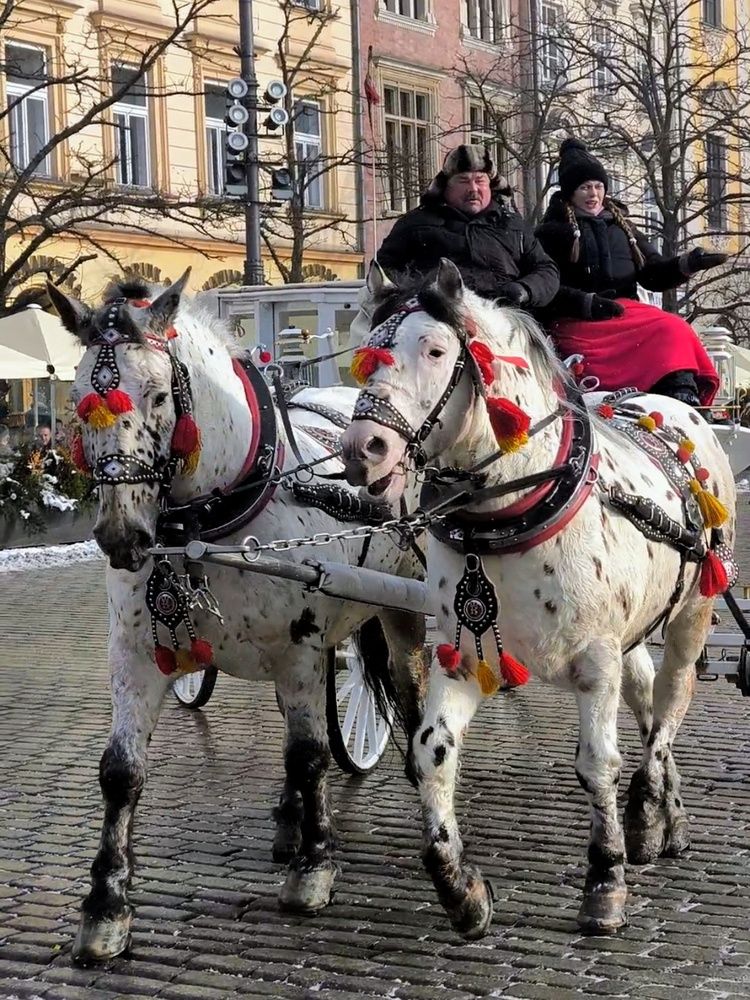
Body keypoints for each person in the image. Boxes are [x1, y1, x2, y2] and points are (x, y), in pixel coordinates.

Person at [535, 138, 726, 407]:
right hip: (577, 317)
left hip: (625, 312)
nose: (593, 194)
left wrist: (688, 264)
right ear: (570, 192)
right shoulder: (551, 232)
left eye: (598, 186)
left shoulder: (623, 227)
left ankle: (681, 393)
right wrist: (586, 303)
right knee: (662, 327)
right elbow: (545, 285)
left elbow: (653, 274)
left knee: (673, 326)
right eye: (585, 187)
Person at [377, 144, 560, 309]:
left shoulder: (512, 224)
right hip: (437, 319)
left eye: (480, 180)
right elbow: (384, 270)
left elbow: (546, 269)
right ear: (445, 186)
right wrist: (418, 295)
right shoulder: (415, 224)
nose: (473, 188)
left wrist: (524, 289)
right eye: (463, 181)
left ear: (491, 186)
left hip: (505, 320)